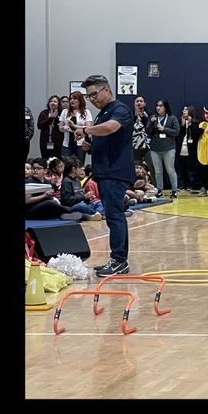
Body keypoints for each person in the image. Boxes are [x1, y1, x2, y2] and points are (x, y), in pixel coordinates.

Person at [74, 75, 135, 276]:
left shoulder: (119, 110)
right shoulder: (102, 113)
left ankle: (119, 260)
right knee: (113, 215)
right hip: (104, 171)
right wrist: (91, 145)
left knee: (115, 216)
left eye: (94, 94)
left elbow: (110, 128)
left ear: (107, 89)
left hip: (115, 171)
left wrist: (85, 129)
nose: (92, 99)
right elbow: (106, 138)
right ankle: (118, 260)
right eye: (89, 96)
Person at [146, 99, 180, 197]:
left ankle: (174, 190)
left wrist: (164, 129)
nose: (158, 108)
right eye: (157, 105)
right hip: (155, 148)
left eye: (161, 106)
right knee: (158, 170)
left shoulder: (172, 118)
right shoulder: (153, 118)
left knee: (170, 169)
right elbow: (147, 132)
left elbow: (176, 132)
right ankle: (159, 190)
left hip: (169, 148)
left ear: (165, 107)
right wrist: (151, 123)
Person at [60, 90, 92, 164]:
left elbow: (88, 127)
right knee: (66, 164)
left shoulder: (86, 112)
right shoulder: (65, 111)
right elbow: (60, 127)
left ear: (80, 100)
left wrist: (74, 126)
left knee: (79, 164)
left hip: (80, 143)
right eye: (70, 99)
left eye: (74, 99)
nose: (72, 101)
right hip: (67, 143)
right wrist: (63, 127)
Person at [37, 95, 64, 160]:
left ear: (58, 104)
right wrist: (50, 118)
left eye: (55, 101)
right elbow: (39, 125)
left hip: (58, 142)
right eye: (51, 101)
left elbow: (61, 126)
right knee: (45, 160)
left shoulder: (62, 113)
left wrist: (56, 117)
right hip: (45, 141)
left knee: (57, 161)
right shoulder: (44, 113)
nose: (52, 103)